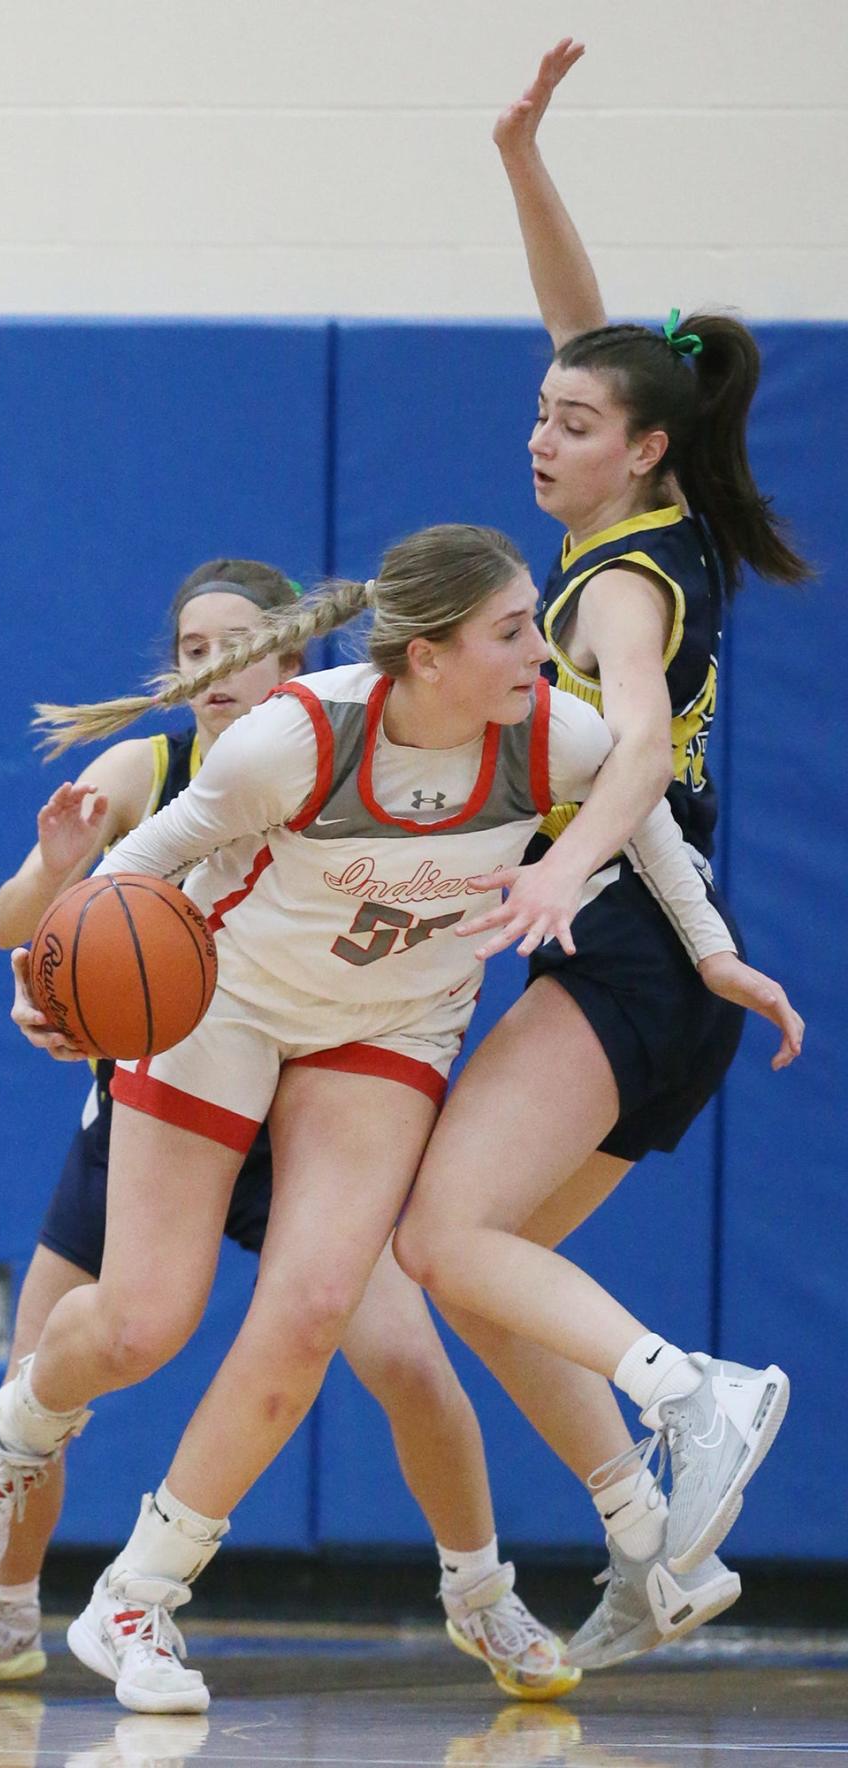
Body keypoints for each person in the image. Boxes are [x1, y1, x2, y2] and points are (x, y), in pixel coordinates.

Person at [0, 522, 800, 1715]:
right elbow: (146, 870)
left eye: (535, 620)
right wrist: (46, 982)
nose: (542, 647)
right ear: (427, 659)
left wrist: (714, 952)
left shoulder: (548, 730)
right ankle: (19, 1425)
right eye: (511, 630)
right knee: (142, 1323)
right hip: (226, 1005)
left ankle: (142, 1594)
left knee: (322, 1307)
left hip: (383, 1034)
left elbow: (637, 805)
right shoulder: (300, 738)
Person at [389, 39, 811, 1673]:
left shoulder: (616, 589)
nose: (539, 436)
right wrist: (520, 157)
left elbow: (634, 738)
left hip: (622, 941)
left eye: (571, 421)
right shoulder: (661, 517)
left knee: (439, 1234)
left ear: (640, 446)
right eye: (539, 414)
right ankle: (652, 1542)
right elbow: (591, 334)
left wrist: (567, 871)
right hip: (678, 962)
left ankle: (696, 1394)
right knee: (491, 1273)